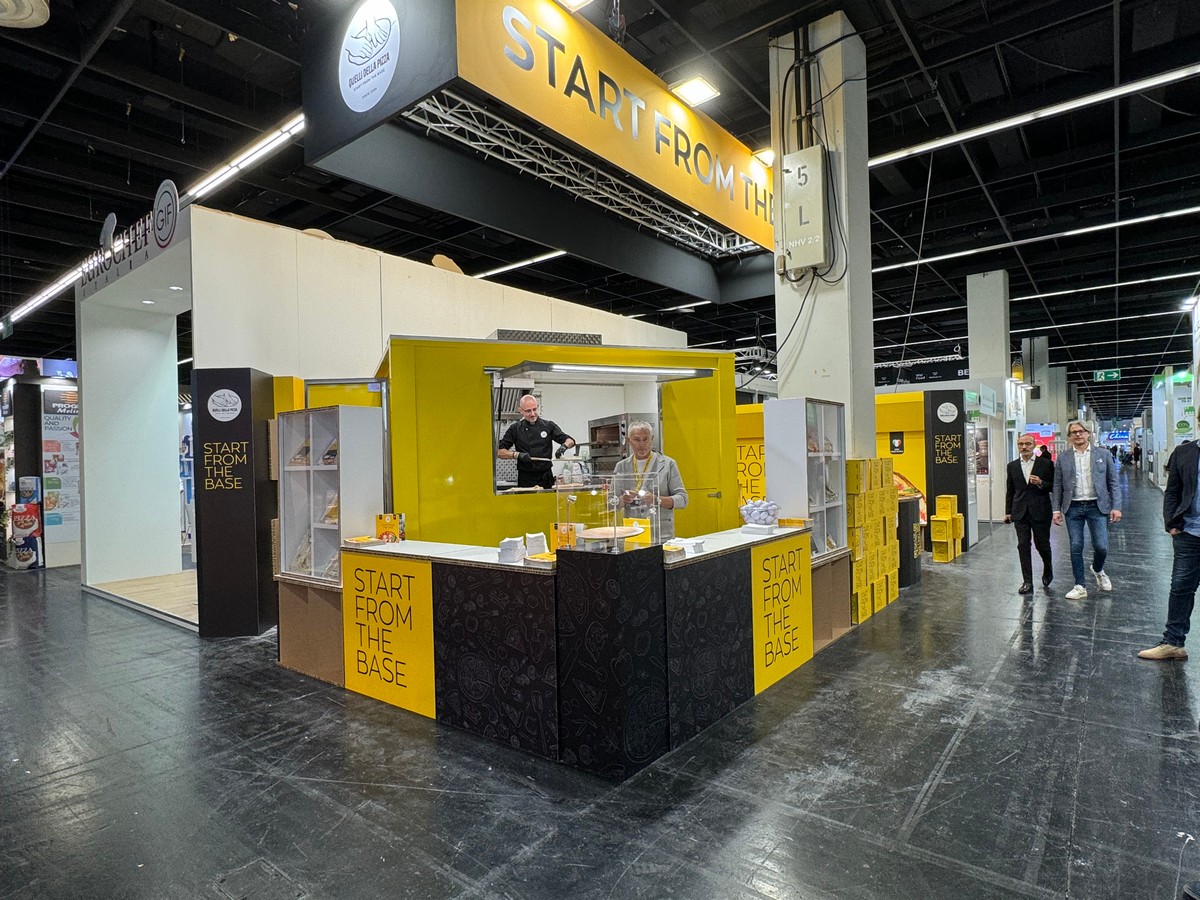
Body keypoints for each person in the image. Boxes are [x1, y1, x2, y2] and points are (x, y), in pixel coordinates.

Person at [1138, 436, 1200, 660]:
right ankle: (1173, 642)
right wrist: (1171, 522)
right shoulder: (1184, 452)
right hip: (1190, 531)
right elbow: (1173, 490)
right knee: (1181, 588)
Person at [1052, 420, 1122, 600]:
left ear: (1088, 433)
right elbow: (1057, 485)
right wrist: (1056, 510)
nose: (1078, 434)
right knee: (1076, 546)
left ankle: (1098, 569)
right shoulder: (1063, 457)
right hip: (1073, 507)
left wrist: (1116, 506)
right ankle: (1080, 585)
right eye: (1073, 432)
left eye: (1081, 431)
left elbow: (1113, 482)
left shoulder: (1103, 454)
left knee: (1101, 546)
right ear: (1069, 437)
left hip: (1097, 506)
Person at [612, 421, 688, 541]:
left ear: (652, 439)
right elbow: (609, 502)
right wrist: (622, 500)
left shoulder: (668, 464)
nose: (641, 444)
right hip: (631, 534)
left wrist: (657, 499)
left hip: (660, 535)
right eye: (637, 440)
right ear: (629, 441)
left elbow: (683, 500)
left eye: (645, 439)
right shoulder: (621, 466)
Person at [1004, 433, 1055, 593]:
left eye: (1027, 444)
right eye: (1021, 444)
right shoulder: (1012, 466)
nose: (1024, 447)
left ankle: (1048, 568)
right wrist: (1008, 511)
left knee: (1042, 545)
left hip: (1041, 510)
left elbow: (1053, 486)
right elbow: (1010, 490)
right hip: (1020, 512)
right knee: (1023, 545)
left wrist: (1041, 483)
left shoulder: (1046, 464)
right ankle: (1027, 581)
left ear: (1034, 446)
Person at [497, 394, 574, 489]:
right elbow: (500, 452)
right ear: (521, 411)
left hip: (546, 476)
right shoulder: (515, 429)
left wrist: (564, 446)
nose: (533, 414)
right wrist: (517, 455)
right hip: (526, 478)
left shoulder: (548, 426)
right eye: (528, 411)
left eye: (534, 409)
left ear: (537, 407)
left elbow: (570, 440)